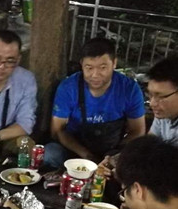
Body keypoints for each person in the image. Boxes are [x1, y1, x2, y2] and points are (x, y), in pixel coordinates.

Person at [98, 56, 178, 189]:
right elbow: (147, 147)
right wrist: (114, 161)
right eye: (150, 95)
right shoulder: (166, 111)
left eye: (160, 96)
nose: (152, 103)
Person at [45, 38, 145, 167]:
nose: (95, 75)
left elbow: (137, 130)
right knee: (51, 153)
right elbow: (57, 130)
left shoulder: (129, 89)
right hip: (75, 151)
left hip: (113, 151)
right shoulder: (68, 87)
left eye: (103, 68)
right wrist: (87, 156)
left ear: (114, 63)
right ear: (81, 64)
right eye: (89, 68)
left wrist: (113, 156)